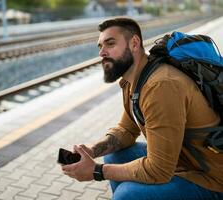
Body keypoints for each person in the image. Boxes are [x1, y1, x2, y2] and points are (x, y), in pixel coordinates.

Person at [61, 17, 223, 200]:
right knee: (115, 156)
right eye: (100, 46)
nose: (102, 53)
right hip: (182, 160)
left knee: (128, 195)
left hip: (212, 179)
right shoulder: (134, 81)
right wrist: (91, 151)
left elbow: (159, 170)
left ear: (134, 43)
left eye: (110, 43)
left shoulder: (161, 86)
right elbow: (126, 130)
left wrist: (97, 171)